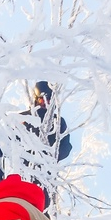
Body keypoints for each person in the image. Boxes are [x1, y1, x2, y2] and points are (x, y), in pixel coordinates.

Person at [18, 81, 73, 209]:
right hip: (24, 171)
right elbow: (10, 141)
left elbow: (65, 147)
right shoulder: (23, 118)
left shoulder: (58, 121)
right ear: (36, 99)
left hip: (46, 173)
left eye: (49, 100)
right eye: (43, 100)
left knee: (44, 207)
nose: (46, 103)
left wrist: (48, 156)